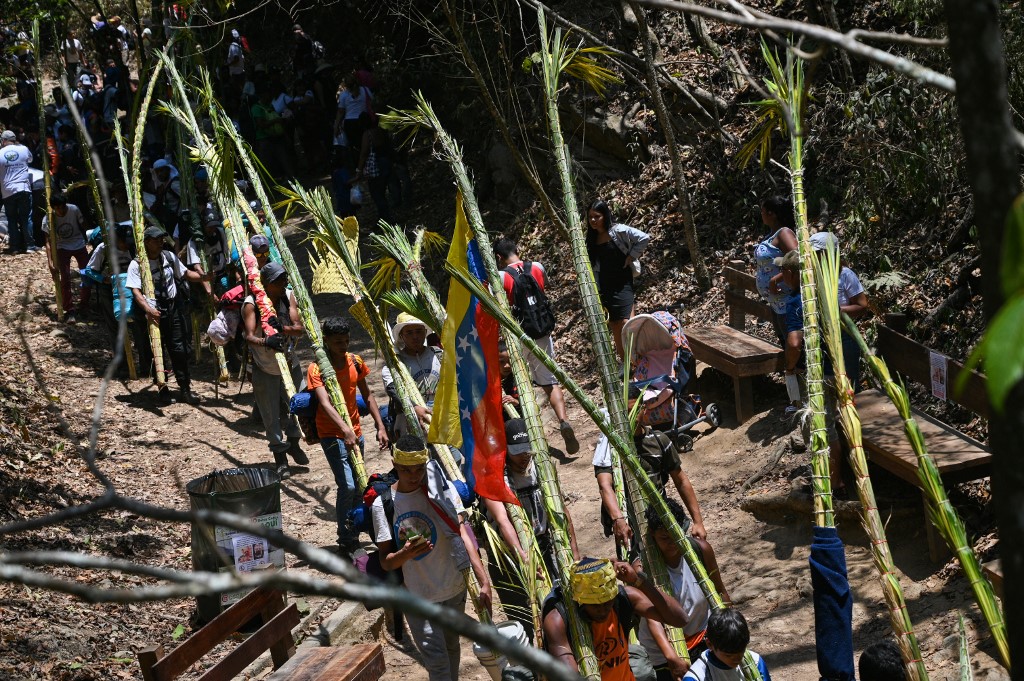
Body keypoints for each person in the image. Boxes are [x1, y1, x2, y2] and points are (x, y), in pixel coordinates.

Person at [372, 434, 492, 681]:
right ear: (394, 464)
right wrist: (405, 554)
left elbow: (463, 534)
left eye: (419, 469)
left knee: (452, 648)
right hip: (417, 595)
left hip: (454, 587)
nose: (414, 476)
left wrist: (484, 581)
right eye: (406, 470)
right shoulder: (382, 504)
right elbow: (386, 561)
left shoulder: (441, 489)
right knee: (437, 664)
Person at [484, 419, 580, 639]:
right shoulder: (493, 476)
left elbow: (562, 511)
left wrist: (574, 554)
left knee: (559, 610)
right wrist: (525, 558)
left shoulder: (541, 469)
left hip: (545, 549)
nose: (524, 456)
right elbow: (503, 521)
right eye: (517, 452)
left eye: (527, 450)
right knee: (527, 623)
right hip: (511, 559)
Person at [307, 316, 389, 555]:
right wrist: (344, 430)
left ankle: (354, 528)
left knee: (359, 484)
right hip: (332, 434)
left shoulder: (355, 362)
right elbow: (324, 403)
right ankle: (345, 537)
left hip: (356, 433)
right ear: (327, 342)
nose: (343, 347)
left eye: (346, 341)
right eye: (337, 342)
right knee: (348, 485)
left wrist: (380, 426)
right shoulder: (316, 368)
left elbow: (369, 395)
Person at [494, 238, 579, 454]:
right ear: (517, 250)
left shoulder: (501, 277)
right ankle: (563, 421)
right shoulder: (538, 267)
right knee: (549, 381)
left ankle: (529, 430)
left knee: (520, 380)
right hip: (542, 331)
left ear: (498, 258)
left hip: (519, 335)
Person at [543, 557, 688, 679]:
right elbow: (568, 674)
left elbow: (679, 619)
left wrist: (638, 581)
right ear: (580, 601)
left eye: (607, 602)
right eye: (595, 605)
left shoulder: (623, 599)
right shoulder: (557, 620)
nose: (603, 610)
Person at [774, 249, 846, 497]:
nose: (780, 273)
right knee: (828, 426)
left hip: (814, 374)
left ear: (792, 273)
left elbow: (794, 342)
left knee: (821, 428)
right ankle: (828, 478)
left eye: (782, 269)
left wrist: (790, 366)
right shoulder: (823, 295)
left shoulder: (797, 301)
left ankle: (832, 484)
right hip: (833, 368)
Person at [639, 499, 729, 680]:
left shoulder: (700, 550)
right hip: (663, 651)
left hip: (704, 637)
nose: (672, 543)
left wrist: (728, 629)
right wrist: (671, 657)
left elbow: (720, 592)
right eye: (664, 538)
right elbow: (653, 619)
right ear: (652, 535)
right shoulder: (643, 569)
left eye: (675, 535)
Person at [128, 226, 212, 405]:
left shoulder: (168, 256)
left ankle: (185, 388)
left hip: (173, 308)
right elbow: (136, 291)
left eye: (162, 239)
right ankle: (163, 389)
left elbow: (185, 274)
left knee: (179, 350)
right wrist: (148, 310)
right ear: (147, 242)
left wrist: (204, 277)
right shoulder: (137, 264)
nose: (161, 243)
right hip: (152, 314)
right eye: (156, 240)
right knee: (157, 351)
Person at [241, 262, 307, 478]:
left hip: (289, 361)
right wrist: (266, 341)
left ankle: (294, 442)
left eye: (284, 279)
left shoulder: (288, 297)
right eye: (279, 281)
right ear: (267, 284)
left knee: (300, 404)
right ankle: (280, 458)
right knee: (270, 415)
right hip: (264, 366)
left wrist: (282, 327)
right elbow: (249, 336)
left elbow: (299, 329)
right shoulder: (251, 304)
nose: (284, 283)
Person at [586, 200, 650, 358]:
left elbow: (644, 238)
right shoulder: (591, 239)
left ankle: (639, 360)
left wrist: (632, 256)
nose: (593, 220)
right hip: (605, 286)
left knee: (628, 323)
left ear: (605, 215)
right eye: (590, 217)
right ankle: (625, 364)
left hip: (622, 282)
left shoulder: (618, 230)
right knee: (615, 325)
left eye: (597, 216)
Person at [380, 313, 441, 440]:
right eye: (409, 333)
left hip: (441, 422)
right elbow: (393, 390)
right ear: (401, 336)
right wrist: (414, 407)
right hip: (410, 426)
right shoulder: (395, 364)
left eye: (418, 331)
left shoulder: (438, 355)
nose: (415, 337)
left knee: (455, 459)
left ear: (425, 332)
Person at [754, 195, 798, 346]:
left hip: (787, 301)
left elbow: (798, 259)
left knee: (793, 345)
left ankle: (797, 369)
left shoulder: (784, 233)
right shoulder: (772, 234)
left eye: (763, 211)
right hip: (776, 302)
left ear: (772, 213)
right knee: (784, 342)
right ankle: (792, 369)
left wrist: (775, 280)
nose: (761, 215)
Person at [682, 609, 771, 681]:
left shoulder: (756, 662)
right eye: (728, 655)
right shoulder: (696, 677)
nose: (737, 659)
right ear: (709, 644)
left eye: (742, 651)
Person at [41, 194, 90, 322]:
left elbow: (83, 225)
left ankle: (84, 304)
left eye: (63, 207)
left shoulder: (73, 209)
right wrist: (50, 262)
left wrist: (89, 240)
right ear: (53, 208)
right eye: (57, 208)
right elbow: (48, 242)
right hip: (62, 247)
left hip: (79, 245)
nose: (61, 211)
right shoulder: (48, 218)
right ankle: (69, 309)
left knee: (86, 274)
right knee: (65, 277)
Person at [1, 129, 38, 254]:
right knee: (26, 218)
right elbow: (30, 160)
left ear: (4, 141)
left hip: (7, 190)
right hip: (23, 188)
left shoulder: (0, 153)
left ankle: (15, 247)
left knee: (11, 219)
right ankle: (30, 246)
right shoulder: (24, 149)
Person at [354, 112, 392, 222]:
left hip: (375, 167)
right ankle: (385, 217)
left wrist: (359, 170)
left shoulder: (367, 134)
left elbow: (364, 153)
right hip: (385, 163)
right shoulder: (379, 130)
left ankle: (385, 219)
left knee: (377, 194)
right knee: (382, 193)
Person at [334, 72, 372, 150]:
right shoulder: (365, 90)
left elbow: (340, 112)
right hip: (365, 120)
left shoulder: (344, 95)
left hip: (350, 123)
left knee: (355, 147)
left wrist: (336, 127)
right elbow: (372, 103)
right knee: (368, 145)